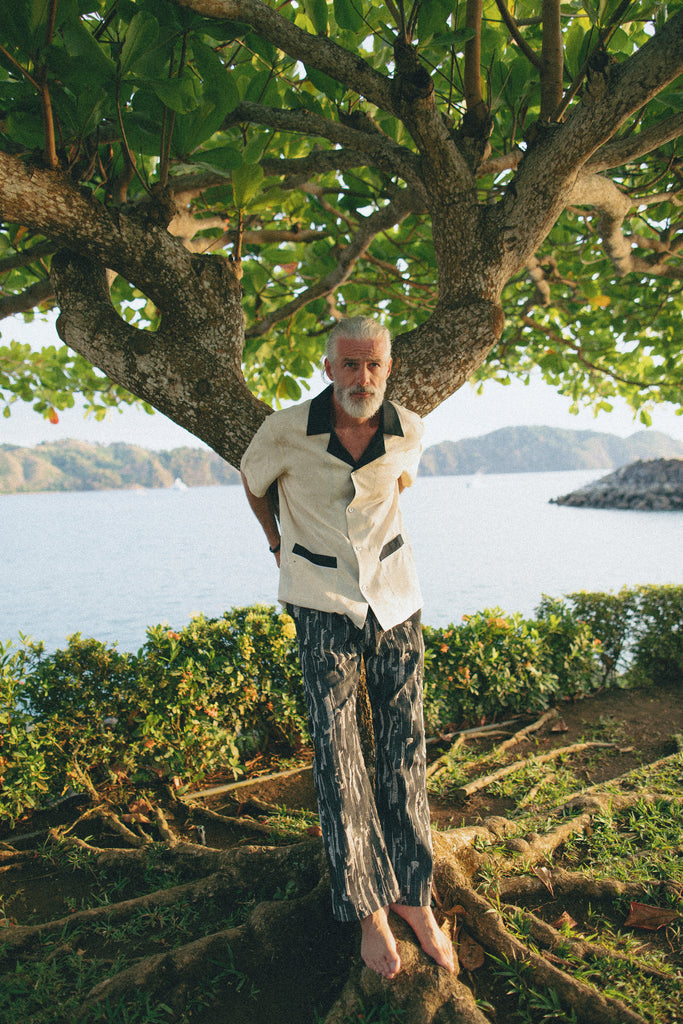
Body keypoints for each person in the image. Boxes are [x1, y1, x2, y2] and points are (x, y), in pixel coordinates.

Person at [240, 316, 454, 980]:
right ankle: (367, 912)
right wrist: (278, 547)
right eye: (350, 365)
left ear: (388, 367)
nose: (363, 377)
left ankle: (413, 897)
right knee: (337, 753)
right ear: (327, 367)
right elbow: (253, 485)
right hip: (319, 596)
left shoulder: (408, 431)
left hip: (394, 596)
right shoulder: (282, 429)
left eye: (374, 365)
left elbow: (396, 494)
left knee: (404, 745)